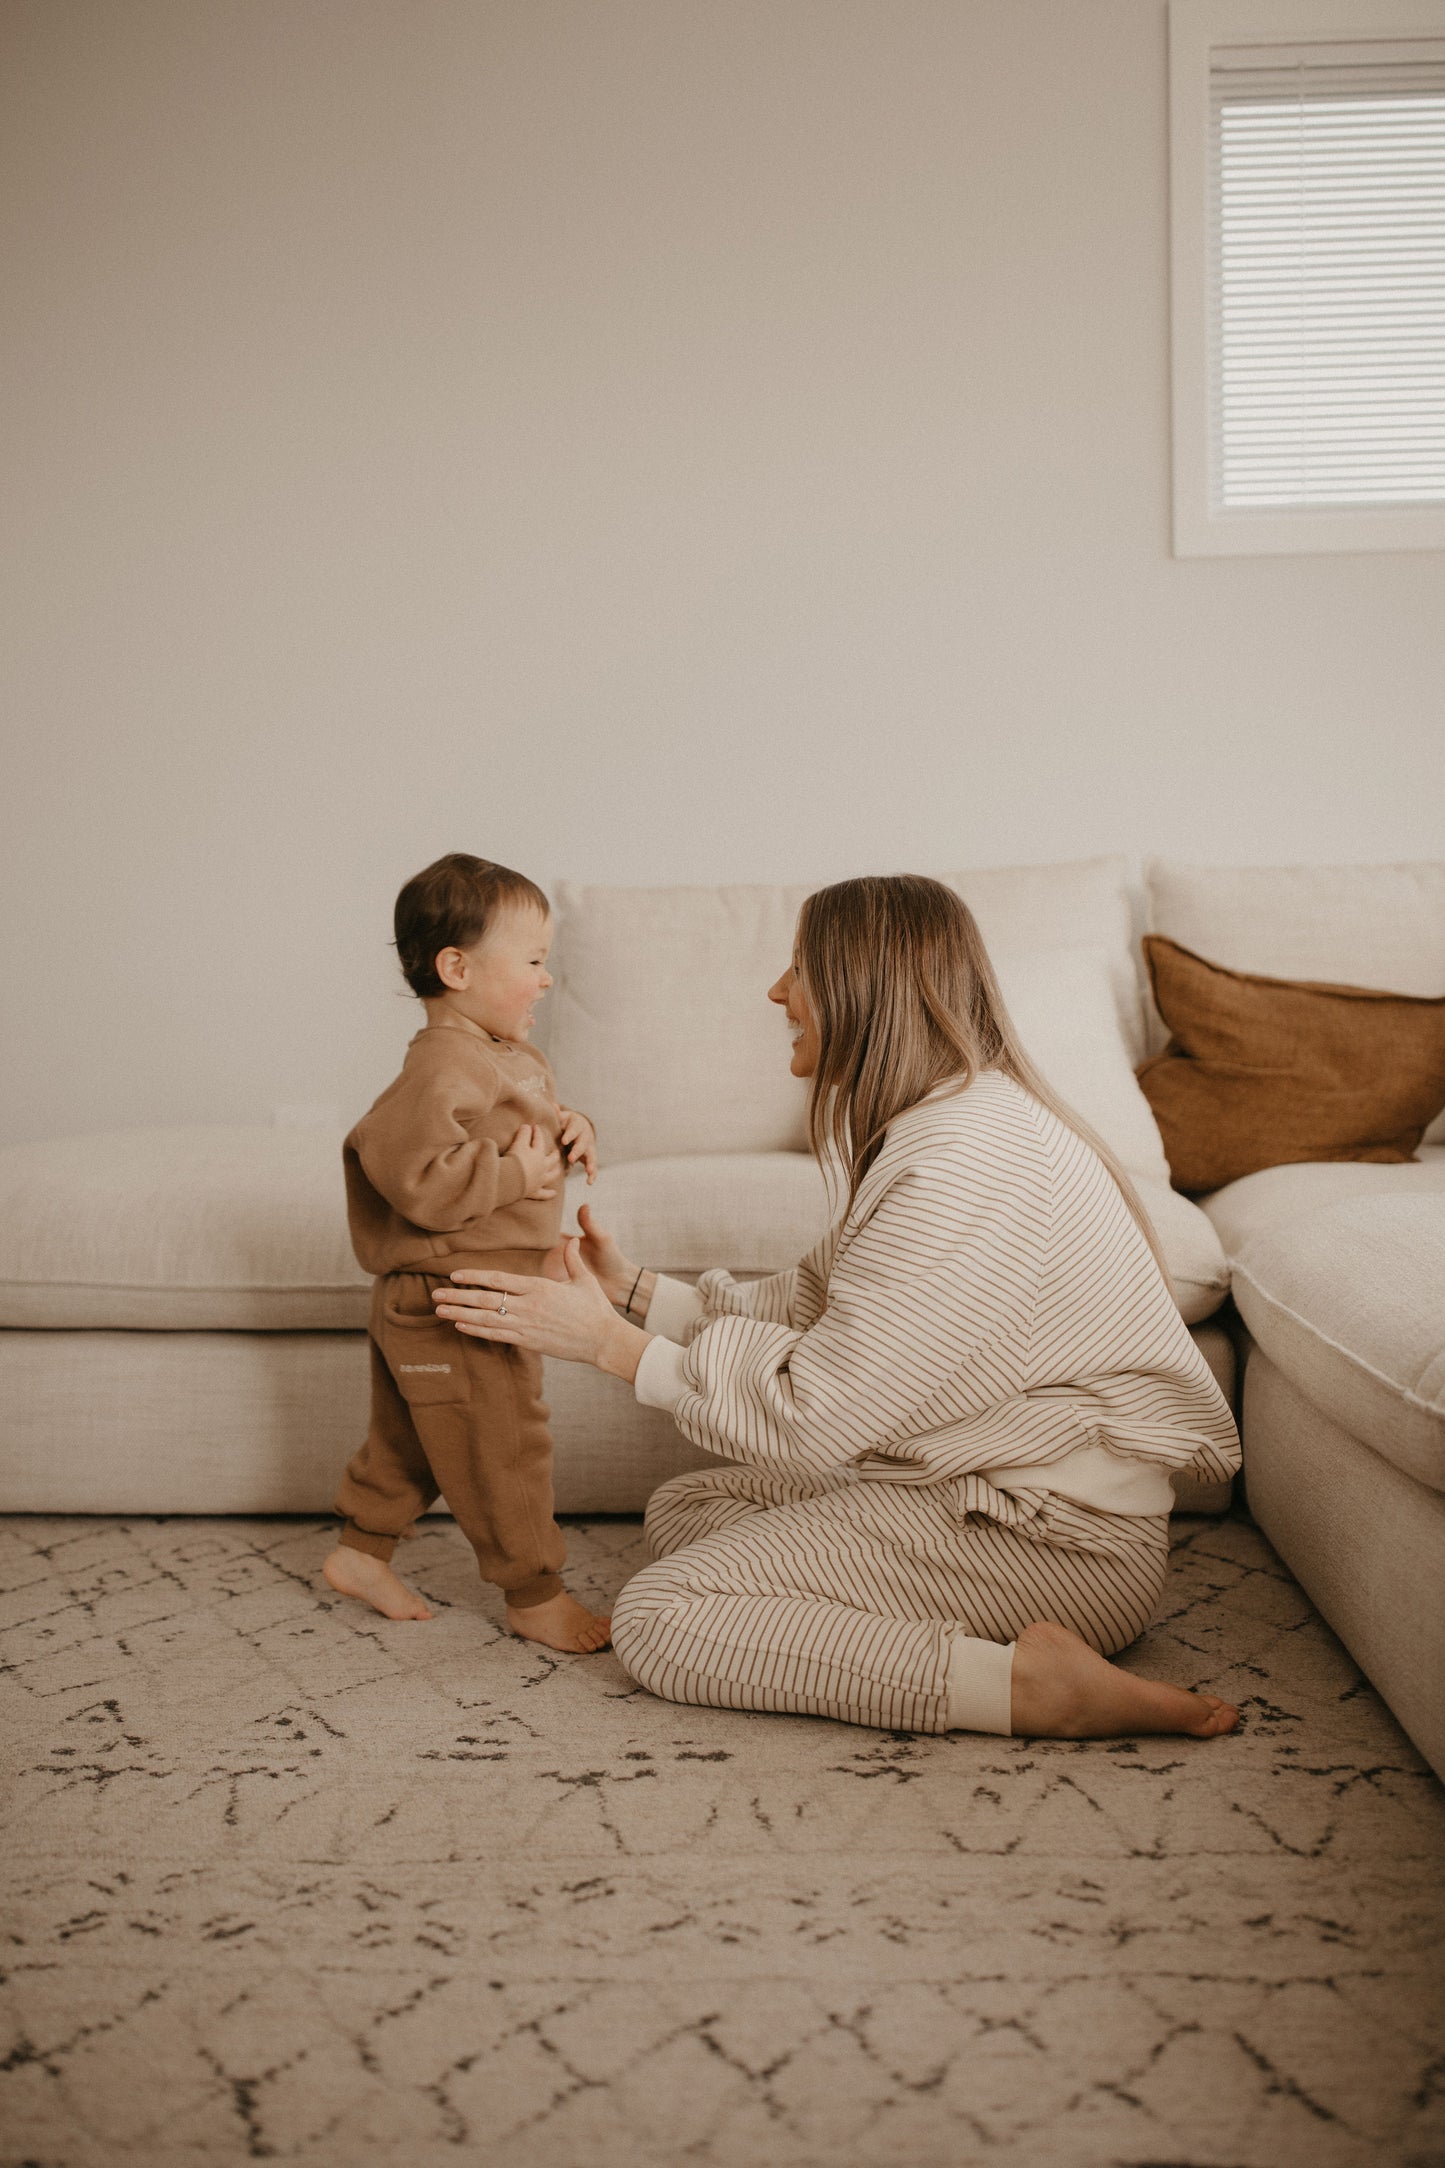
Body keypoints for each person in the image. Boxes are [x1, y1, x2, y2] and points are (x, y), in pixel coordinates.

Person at [433, 875, 1243, 1739]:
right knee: (688, 1511)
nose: (779, 992)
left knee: (661, 1617)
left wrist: (609, 1347)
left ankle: (1028, 1688)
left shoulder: (962, 1160)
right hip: (982, 1496)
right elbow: (818, 1306)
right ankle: (917, 1629)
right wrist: (631, 1292)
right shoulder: (944, 1120)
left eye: (799, 969)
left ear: (863, 984)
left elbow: (817, 1415)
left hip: (1054, 1542)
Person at [321, 851, 612, 1654]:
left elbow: (514, 1124)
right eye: (532, 961)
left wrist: (569, 1124)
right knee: (503, 1445)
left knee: (409, 1440)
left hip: (455, 1292)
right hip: (456, 1297)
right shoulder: (442, 1061)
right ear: (456, 967)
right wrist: (519, 1169)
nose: (545, 979)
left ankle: (360, 1552)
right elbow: (410, 1172)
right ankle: (533, 1593)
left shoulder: (504, 1056)